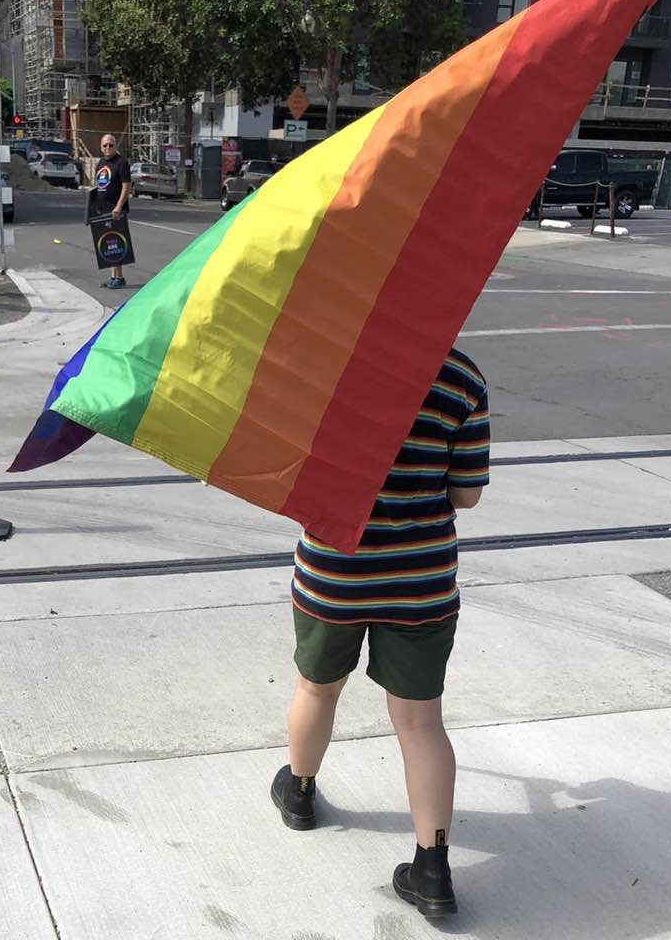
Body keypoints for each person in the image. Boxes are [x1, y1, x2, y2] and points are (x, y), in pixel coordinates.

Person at [270, 348, 490, 920]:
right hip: (421, 579)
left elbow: (287, 478)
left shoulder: (319, 372)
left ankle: (299, 793)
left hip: (335, 573)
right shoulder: (462, 377)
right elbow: (466, 493)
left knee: (317, 689)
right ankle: (433, 869)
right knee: (421, 723)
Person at [93, 134, 132, 289]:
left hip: (116, 210)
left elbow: (126, 186)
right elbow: (98, 185)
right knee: (108, 244)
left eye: (111, 145)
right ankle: (113, 276)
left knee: (116, 243)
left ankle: (119, 277)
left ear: (116, 146)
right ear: (101, 147)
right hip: (103, 209)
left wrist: (119, 206)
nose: (108, 148)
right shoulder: (101, 163)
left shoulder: (121, 163)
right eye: (105, 145)